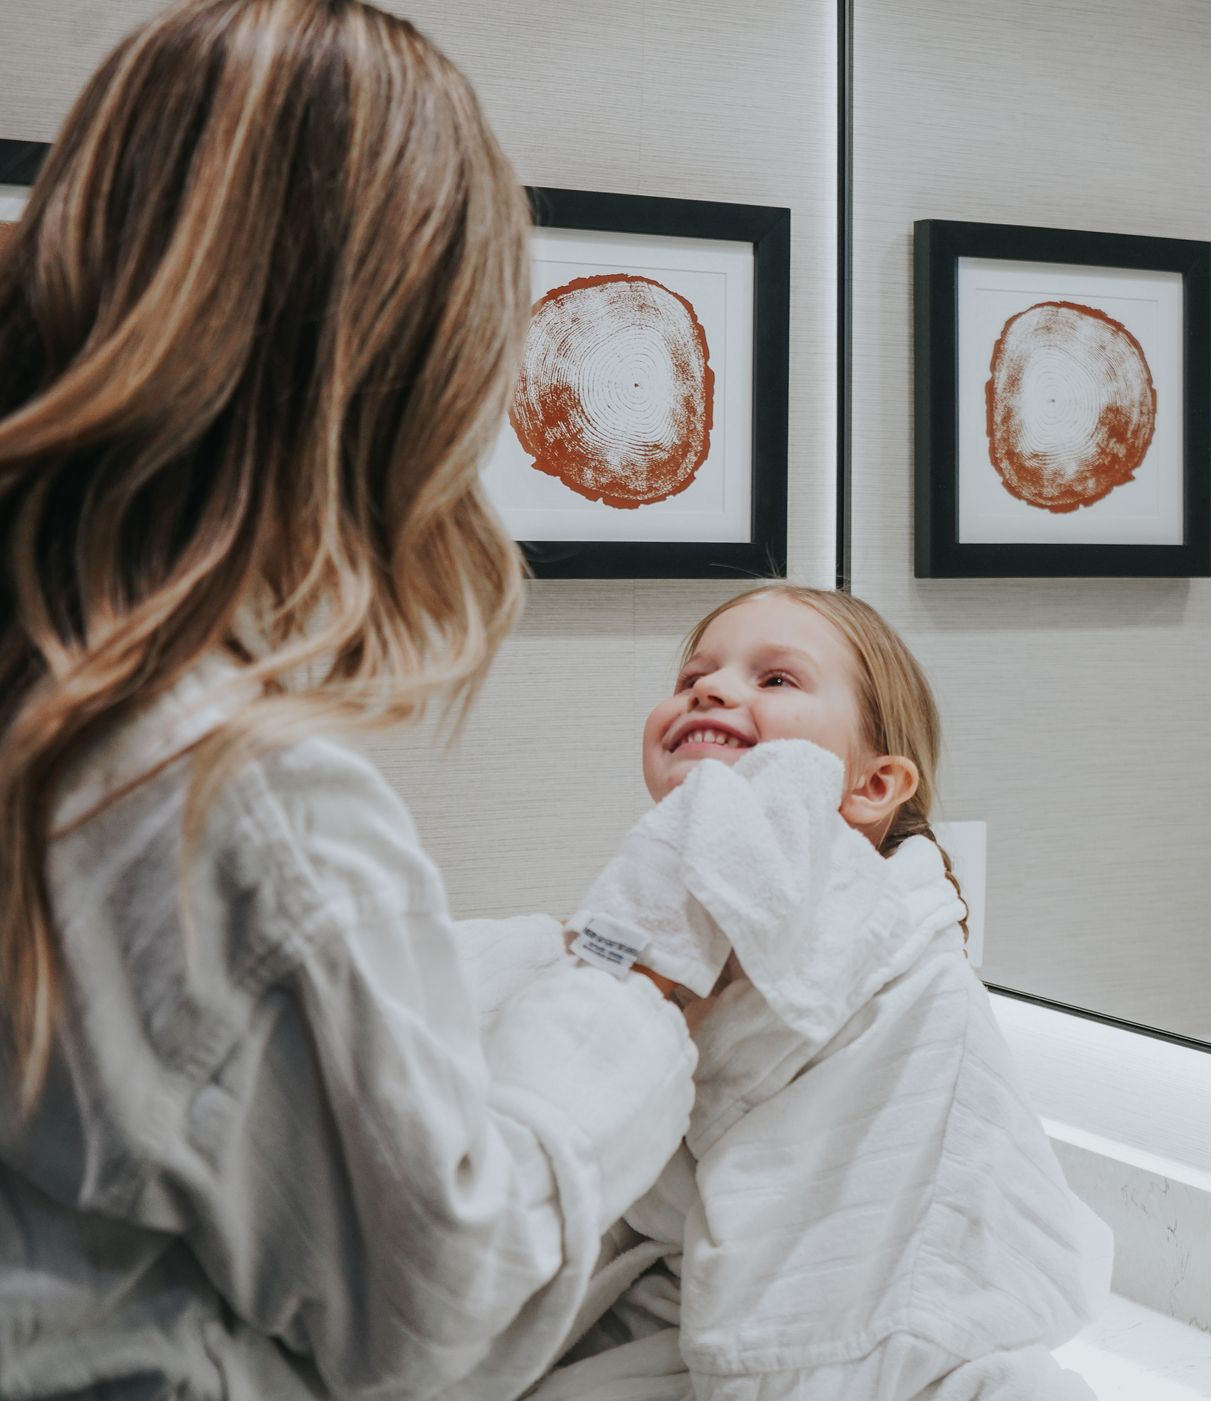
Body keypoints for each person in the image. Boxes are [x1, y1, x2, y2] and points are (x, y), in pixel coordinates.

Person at [0, 3, 704, 1395]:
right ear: (403, 366)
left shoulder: (57, 695)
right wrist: (637, 1011)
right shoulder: (230, 800)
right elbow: (433, 1304)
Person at [485, 585, 1108, 1401]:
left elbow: (840, 1239)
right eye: (693, 677)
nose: (710, 689)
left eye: (775, 679)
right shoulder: (661, 900)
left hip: (838, 1333)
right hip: (677, 1293)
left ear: (873, 786)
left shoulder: (900, 979)